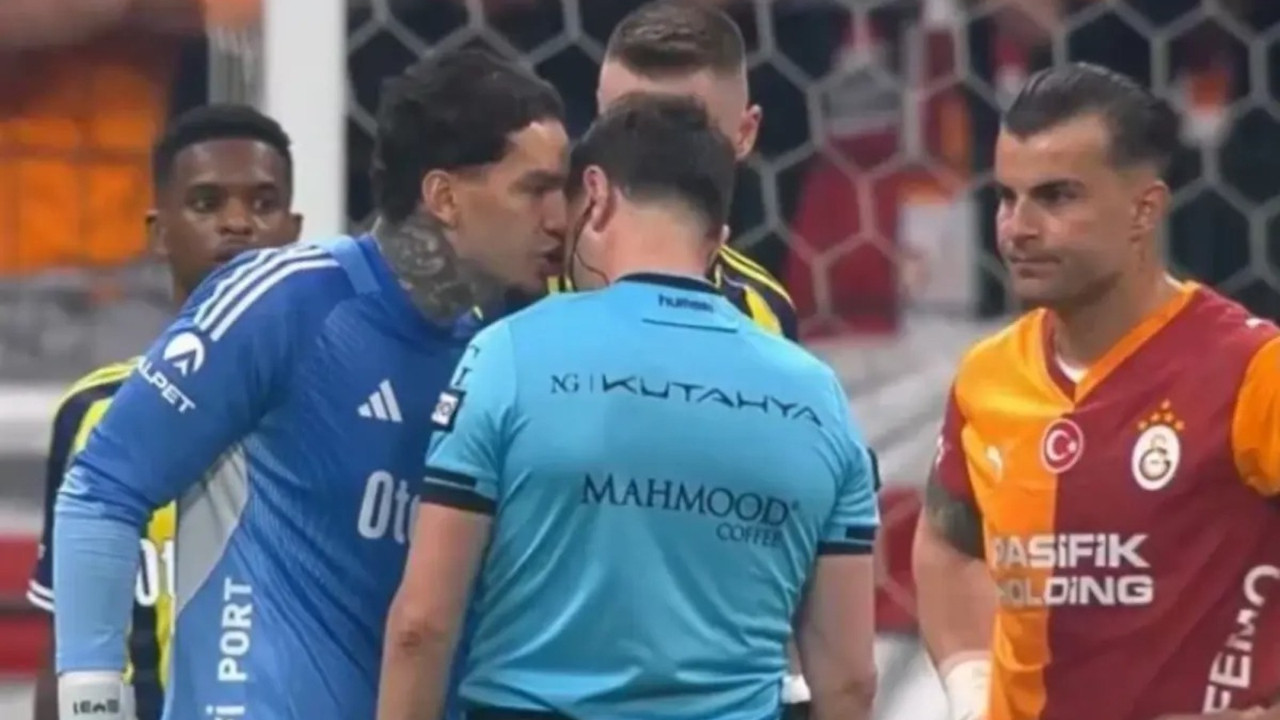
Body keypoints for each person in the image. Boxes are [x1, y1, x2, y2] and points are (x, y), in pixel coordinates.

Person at [50, 48, 568, 720]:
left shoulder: (500, 352)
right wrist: (92, 702)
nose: (559, 218)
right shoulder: (285, 301)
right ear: (443, 197)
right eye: (534, 189)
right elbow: (102, 488)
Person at [378, 93, 880, 720]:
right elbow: (850, 680)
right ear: (718, 236)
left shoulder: (508, 356)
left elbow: (422, 627)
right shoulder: (818, 398)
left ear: (595, 194)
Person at [911, 63, 1280, 720]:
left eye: (1056, 197)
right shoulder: (987, 377)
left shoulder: (1253, 370)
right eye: (1006, 198)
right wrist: (971, 689)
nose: (1018, 228)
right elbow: (946, 543)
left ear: (1144, 210)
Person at [25, 103, 301, 720]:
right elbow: (63, 642)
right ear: (158, 232)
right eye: (206, 203)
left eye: (263, 203)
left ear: (294, 230)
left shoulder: (339, 408)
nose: (237, 223)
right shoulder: (95, 413)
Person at [549, 0, 799, 342]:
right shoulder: (523, 293)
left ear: (744, 134)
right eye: (627, 125)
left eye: (687, 132)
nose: (653, 161)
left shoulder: (763, 314)